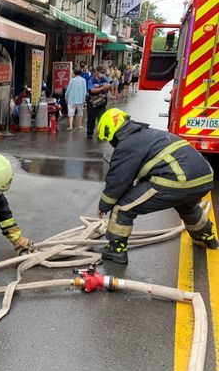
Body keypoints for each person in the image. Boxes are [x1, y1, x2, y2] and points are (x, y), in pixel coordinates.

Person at [96, 108, 218, 264]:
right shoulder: (149, 134)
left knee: (123, 207)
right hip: (205, 177)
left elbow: (118, 180)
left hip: (178, 180)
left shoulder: (126, 145)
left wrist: (104, 205)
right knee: (187, 207)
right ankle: (208, 237)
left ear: (111, 131)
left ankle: (116, 250)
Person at [86, 66, 111, 139]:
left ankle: (101, 133)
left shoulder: (105, 79)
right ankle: (90, 132)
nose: (102, 74)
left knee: (102, 118)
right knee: (91, 118)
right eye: (101, 72)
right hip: (92, 102)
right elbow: (92, 90)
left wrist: (110, 87)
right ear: (96, 72)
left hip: (102, 102)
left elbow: (109, 87)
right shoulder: (91, 80)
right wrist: (103, 88)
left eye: (103, 72)